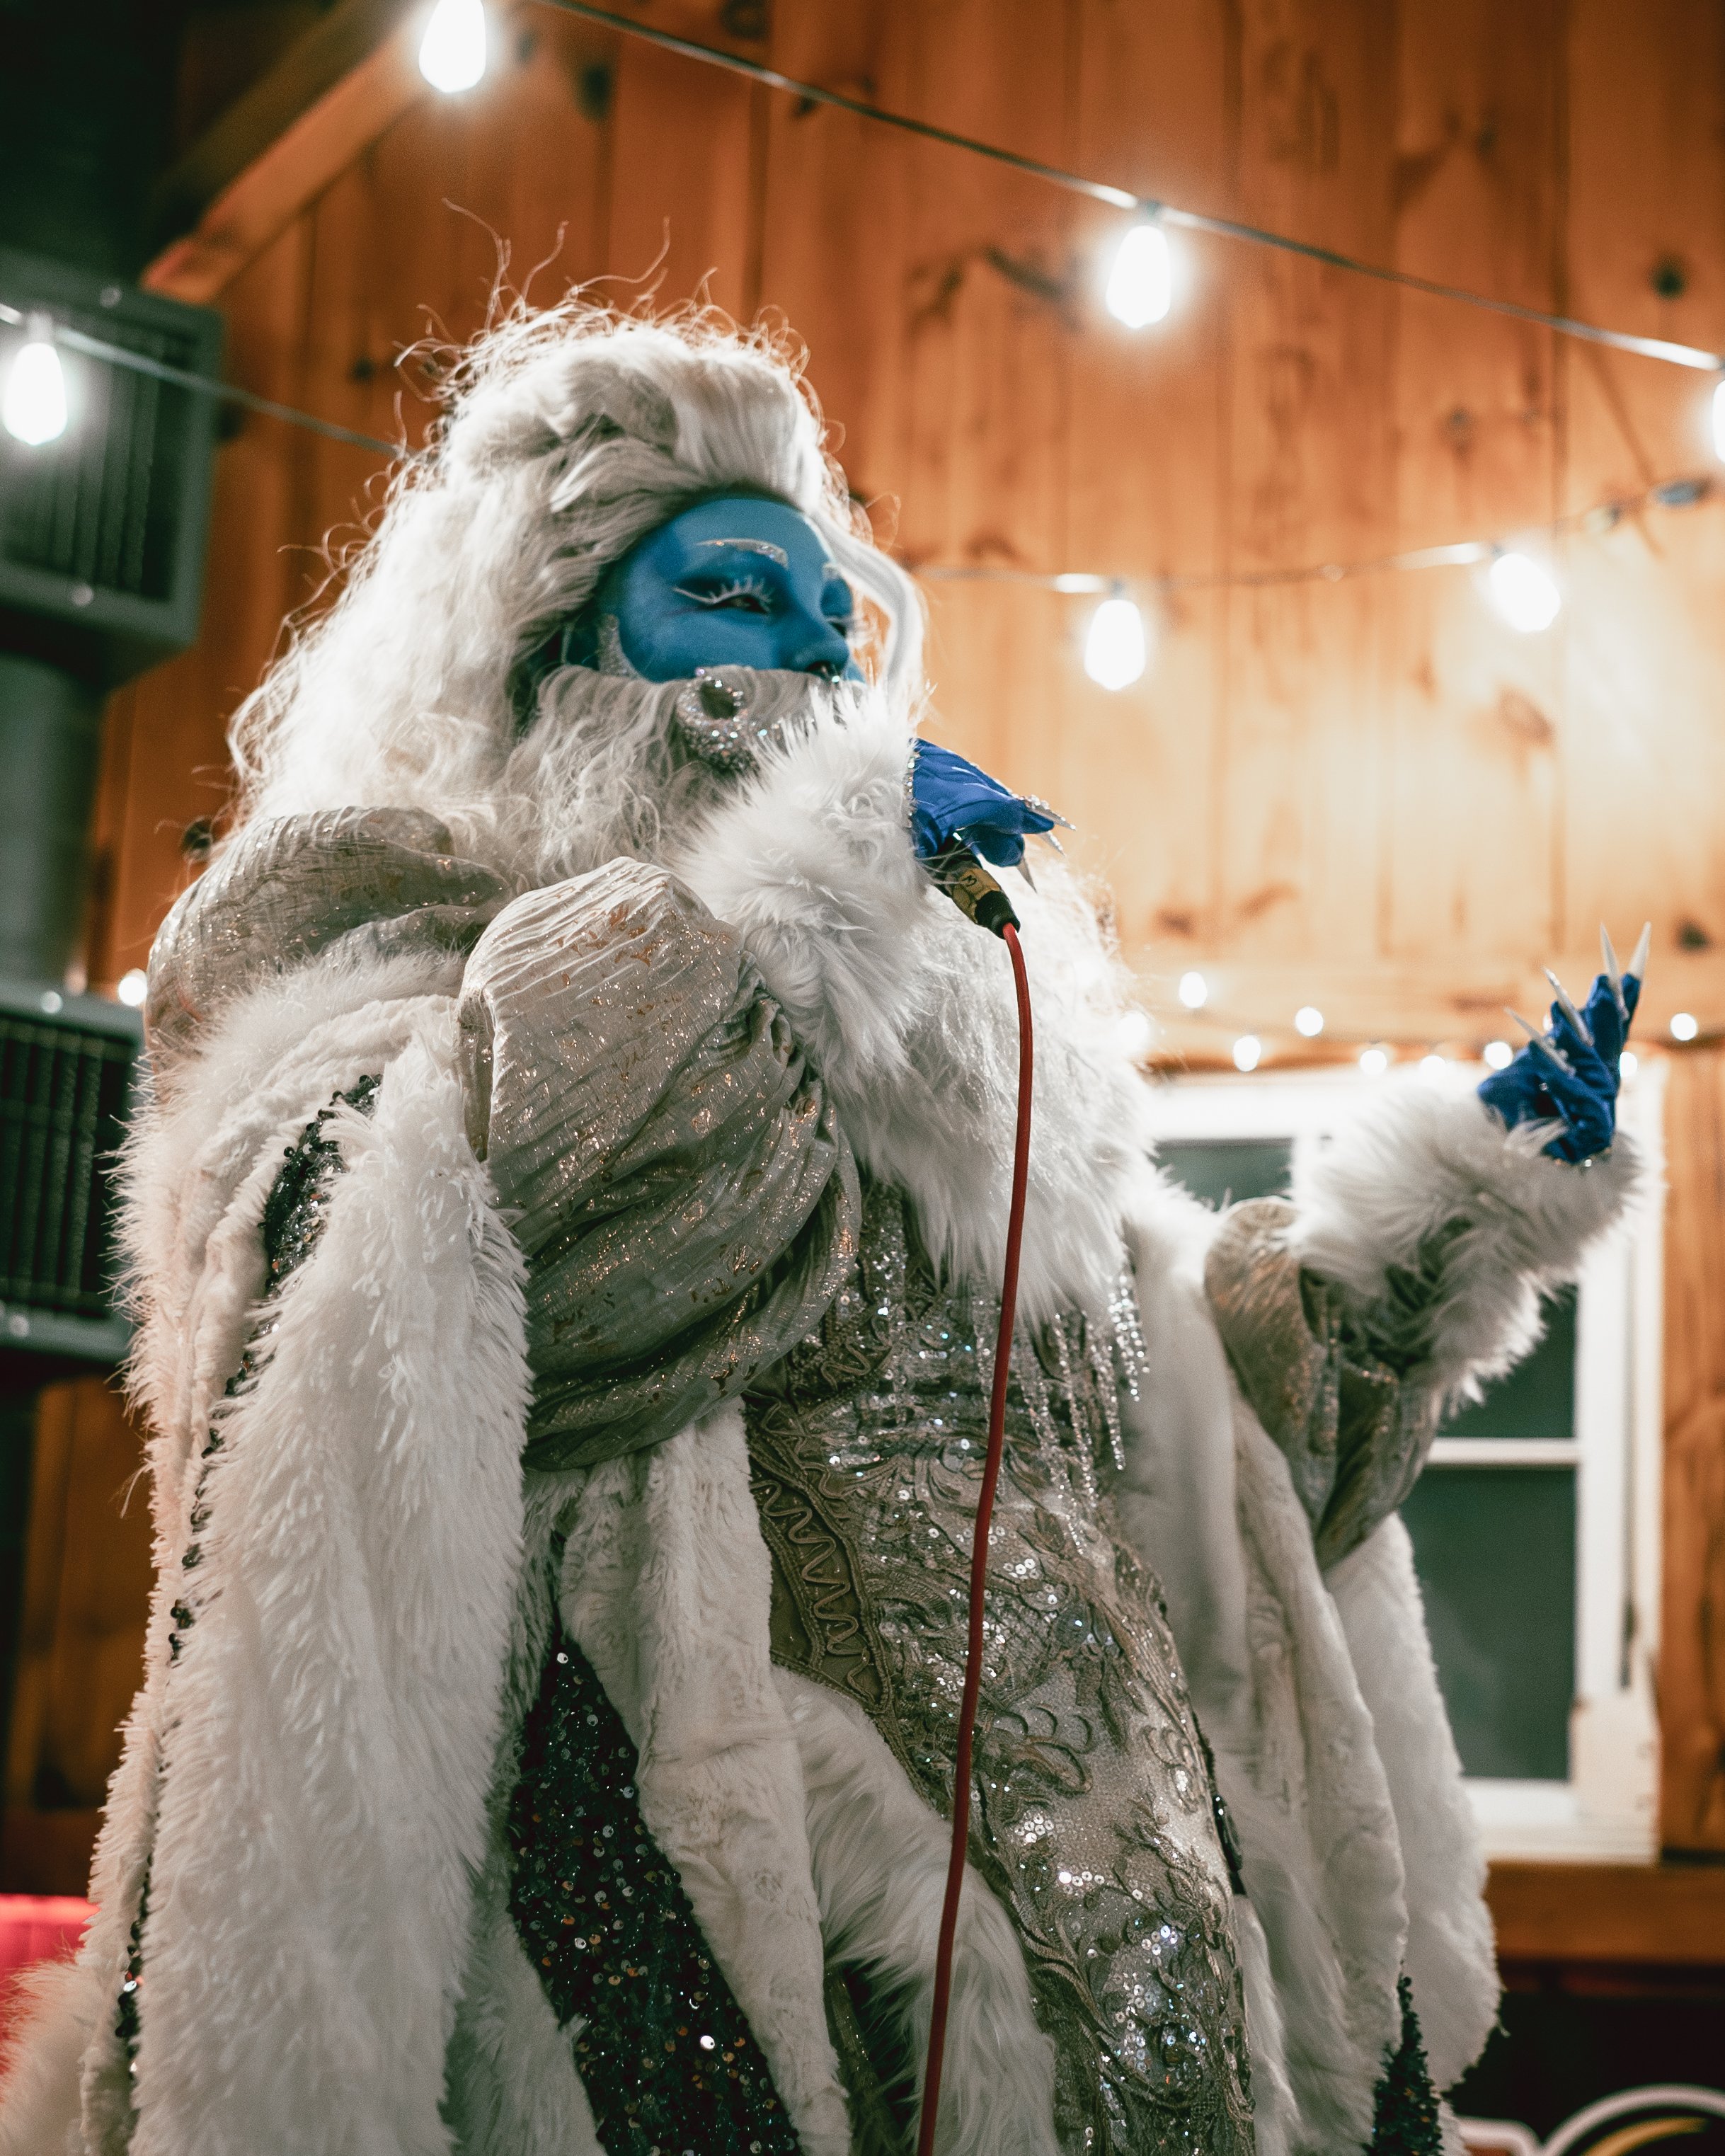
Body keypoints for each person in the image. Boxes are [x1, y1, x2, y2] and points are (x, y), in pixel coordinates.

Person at [0, 305, 1644, 2156]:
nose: (801, 657)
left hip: (1145, 1997)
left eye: (826, 620)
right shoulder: (378, 940)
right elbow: (524, 1257)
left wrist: (1404, 1256)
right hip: (720, 1967)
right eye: (725, 595)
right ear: (555, 648)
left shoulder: (959, 1074)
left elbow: (1197, 1458)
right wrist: (794, 913)